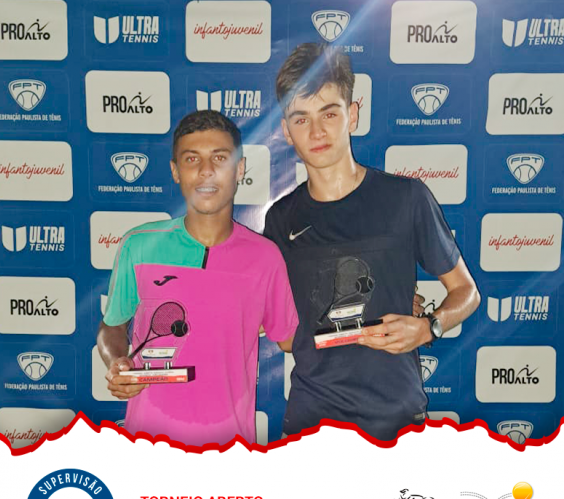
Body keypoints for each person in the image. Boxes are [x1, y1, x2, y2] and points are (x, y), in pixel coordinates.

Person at [263, 43, 480, 441]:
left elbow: (467, 292)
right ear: (286, 132)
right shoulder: (280, 220)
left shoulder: (406, 198)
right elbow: (287, 338)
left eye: (329, 113)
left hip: (394, 419)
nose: (316, 131)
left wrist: (428, 327)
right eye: (301, 118)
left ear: (353, 115)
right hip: (311, 423)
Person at [97, 110, 298, 446]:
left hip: (229, 447)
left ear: (240, 169)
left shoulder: (265, 258)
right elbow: (112, 327)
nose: (206, 170)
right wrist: (118, 362)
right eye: (192, 159)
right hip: (148, 445)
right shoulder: (139, 245)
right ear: (176, 171)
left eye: (219, 158)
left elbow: (291, 339)